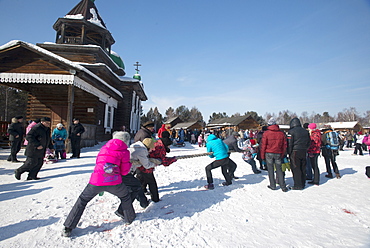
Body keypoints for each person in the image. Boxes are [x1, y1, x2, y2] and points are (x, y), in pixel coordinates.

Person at [62, 132, 136, 237]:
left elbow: (99, 163)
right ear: (126, 141)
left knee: (82, 200)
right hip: (114, 182)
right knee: (125, 196)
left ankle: (68, 227)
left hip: (97, 181)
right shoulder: (124, 152)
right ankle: (129, 218)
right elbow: (124, 172)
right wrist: (129, 164)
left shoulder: (103, 148)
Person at [260, 117, 288, 192]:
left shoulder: (266, 133)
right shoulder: (281, 133)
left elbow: (263, 145)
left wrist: (262, 156)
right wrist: (282, 153)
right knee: (279, 170)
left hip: (269, 153)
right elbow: (284, 145)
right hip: (278, 153)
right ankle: (283, 186)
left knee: (270, 169)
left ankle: (273, 185)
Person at [287, 117, 311, 190]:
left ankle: (298, 184)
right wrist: (305, 148)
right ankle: (303, 183)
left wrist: (289, 152)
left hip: (295, 151)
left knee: (295, 168)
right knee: (302, 167)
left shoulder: (291, 132)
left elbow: (289, 143)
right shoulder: (305, 131)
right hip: (303, 151)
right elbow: (309, 142)